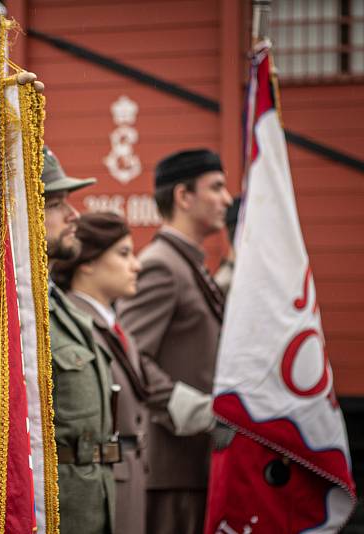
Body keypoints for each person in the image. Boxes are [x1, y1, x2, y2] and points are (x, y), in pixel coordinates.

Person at [116, 148, 233, 534]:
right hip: (171, 471)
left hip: (191, 466)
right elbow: (129, 356)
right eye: (216, 187)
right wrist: (198, 411)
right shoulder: (161, 265)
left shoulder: (185, 263)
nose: (226, 199)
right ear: (183, 196)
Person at [51, 212, 150, 534]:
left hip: (127, 476)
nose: (136, 265)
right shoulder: (72, 326)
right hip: (96, 482)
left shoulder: (112, 325)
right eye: (123, 254)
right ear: (87, 261)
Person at [43, 147, 118, 534]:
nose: (74, 216)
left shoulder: (57, 304)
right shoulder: (11, 311)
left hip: (91, 505)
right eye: (55, 203)